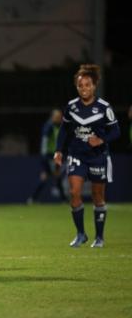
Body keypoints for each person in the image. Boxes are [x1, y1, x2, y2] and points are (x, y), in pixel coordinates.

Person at [54, 64, 120, 248]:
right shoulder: (71, 107)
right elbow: (64, 131)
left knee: (97, 196)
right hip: (77, 155)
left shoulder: (104, 107)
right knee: (74, 192)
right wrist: (59, 150)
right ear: (77, 87)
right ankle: (81, 234)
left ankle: (99, 237)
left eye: (87, 85)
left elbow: (116, 131)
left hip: (98, 156)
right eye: (80, 85)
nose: (84, 88)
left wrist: (101, 140)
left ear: (94, 85)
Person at [27, 109, 67, 203]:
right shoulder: (49, 126)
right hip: (49, 156)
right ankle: (63, 199)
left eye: (60, 116)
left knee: (50, 176)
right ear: (52, 117)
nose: (59, 118)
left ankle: (33, 198)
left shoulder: (60, 126)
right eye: (57, 116)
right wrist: (44, 155)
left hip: (55, 155)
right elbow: (44, 140)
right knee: (54, 176)